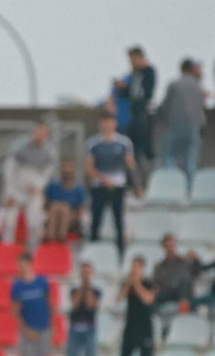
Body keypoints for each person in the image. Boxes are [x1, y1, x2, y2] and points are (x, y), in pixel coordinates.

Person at [86, 112, 138, 253]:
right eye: (105, 122)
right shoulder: (94, 143)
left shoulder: (124, 142)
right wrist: (103, 179)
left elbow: (130, 164)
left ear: (114, 123)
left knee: (118, 221)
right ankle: (93, 251)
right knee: (96, 221)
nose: (107, 125)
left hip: (118, 186)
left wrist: (136, 184)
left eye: (110, 122)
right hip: (99, 186)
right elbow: (89, 168)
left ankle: (120, 252)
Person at [0, 122, 58, 246]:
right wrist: (9, 192)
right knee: (10, 223)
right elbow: (9, 170)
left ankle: (33, 250)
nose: (40, 135)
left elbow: (47, 174)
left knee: (34, 224)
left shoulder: (49, 151)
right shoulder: (19, 146)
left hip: (33, 191)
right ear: (34, 131)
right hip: (16, 189)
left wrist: (38, 185)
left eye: (43, 133)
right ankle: (7, 248)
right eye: (38, 132)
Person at [156, 58, 206, 184]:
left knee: (168, 155)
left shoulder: (174, 85)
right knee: (191, 160)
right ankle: (190, 188)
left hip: (175, 125)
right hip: (194, 127)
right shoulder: (198, 86)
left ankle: (173, 183)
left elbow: (165, 106)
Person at [114, 257, 157, 356]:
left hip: (144, 328)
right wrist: (128, 284)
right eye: (133, 266)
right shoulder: (127, 284)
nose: (134, 270)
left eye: (137, 267)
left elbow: (148, 299)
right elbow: (118, 299)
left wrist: (137, 283)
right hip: (130, 327)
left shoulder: (148, 283)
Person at [10, 254, 54, 356]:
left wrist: (52, 324)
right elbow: (15, 310)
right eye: (20, 266)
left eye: (24, 265)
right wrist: (26, 329)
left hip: (43, 326)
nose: (22, 268)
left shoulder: (42, 282)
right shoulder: (17, 286)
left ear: (30, 264)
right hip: (27, 328)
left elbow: (50, 303)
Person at [112, 46, 157, 163]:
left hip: (143, 115)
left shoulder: (148, 72)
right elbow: (131, 93)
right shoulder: (135, 74)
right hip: (133, 115)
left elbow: (145, 93)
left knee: (144, 147)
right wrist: (123, 88)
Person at [65, 263, 99, 356]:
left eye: (88, 272)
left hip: (89, 328)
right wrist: (82, 288)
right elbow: (75, 304)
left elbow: (91, 304)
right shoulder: (75, 290)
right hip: (74, 328)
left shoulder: (95, 291)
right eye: (84, 272)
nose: (85, 275)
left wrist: (87, 287)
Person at [43, 159, 86, 242]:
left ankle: (57, 237)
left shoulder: (79, 190)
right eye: (65, 173)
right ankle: (53, 237)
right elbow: (46, 203)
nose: (67, 176)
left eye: (70, 173)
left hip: (70, 216)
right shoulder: (53, 186)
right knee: (56, 207)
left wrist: (74, 215)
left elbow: (81, 208)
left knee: (64, 208)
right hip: (53, 214)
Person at [151, 235, 197, 312]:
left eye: (172, 245)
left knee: (185, 283)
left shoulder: (185, 262)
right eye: (168, 246)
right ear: (164, 247)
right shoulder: (159, 267)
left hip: (182, 293)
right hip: (167, 293)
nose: (170, 248)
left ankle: (184, 306)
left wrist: (195, 259)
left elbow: (196, 273)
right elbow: (156, 284)